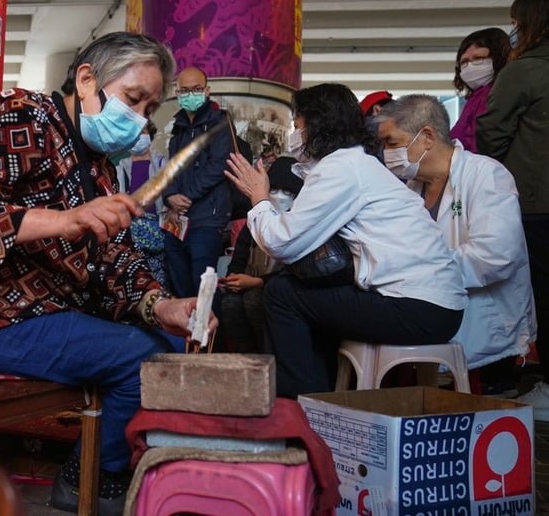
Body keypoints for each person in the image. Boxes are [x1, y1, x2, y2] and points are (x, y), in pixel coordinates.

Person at [0, 31, 211, 516]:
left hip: (45, 315)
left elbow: (116, 260)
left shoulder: (98, 170)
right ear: (87, 78)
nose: (140, 119)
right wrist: (67, 219)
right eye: (133, 99)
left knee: (174, 345)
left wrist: (162, 306)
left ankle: (107, 467)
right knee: (142, 359)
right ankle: (92, 478)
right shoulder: (24, 117)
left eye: (150, 109)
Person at [224, 83, 466, 398]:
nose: (294, 134)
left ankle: (299, 397)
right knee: (303, 290)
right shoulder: (353, 164)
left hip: (418, 307)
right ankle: (320, 393)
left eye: (297, 125)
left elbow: (282, 242)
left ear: (318, 126)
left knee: (281, 293)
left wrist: (259, 198)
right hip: (433, 304)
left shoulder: (341, 169)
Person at [376, 94, 535, 391]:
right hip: (434, 320)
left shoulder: (486, 175)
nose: (386, 153)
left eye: (392, 143)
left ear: (427, 137)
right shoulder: (410, 189)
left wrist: (421, 273)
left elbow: (495, 255)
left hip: (485, 329)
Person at [476, 0, 549, 417]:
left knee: (540, 294)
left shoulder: (525, 71)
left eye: (518, 22)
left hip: (536, 203)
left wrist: (497, 179)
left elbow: (492, 133)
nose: (514, 31)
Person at [162, 66, 236, 297]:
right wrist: (169, 195)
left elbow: (219, 166)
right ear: (177, 92)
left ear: (207, 90)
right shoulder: (178, 127)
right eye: (185, 90)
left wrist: (186, 197)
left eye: (196, 89)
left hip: (207, 217)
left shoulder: (220, 123)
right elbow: (171, 166)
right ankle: (182, 331)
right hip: (177, 219)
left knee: (203, 286)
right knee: (178, 284)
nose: (190, 94)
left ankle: (207, 332)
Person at [217, 156, 302, 353]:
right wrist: (233, 279)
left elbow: (294, 270)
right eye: (273, 190)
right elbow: (239, 256)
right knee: (229, 303)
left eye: (287, 192)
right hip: (250, 282)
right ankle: (246, 360)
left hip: (278, 287)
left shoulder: (298, 223)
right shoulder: (256, 217)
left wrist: (257, 282)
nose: (279, 196)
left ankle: (269, 358)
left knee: (254, 301)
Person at [116, 121, 169, 290]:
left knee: (159, 280)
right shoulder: (120, 168)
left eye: (142, 133)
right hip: (132, 235)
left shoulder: (162, 164)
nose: (138, 138)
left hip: (159, 231)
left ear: (150, 136)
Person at [450, 28, 511, 153]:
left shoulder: (500, 95)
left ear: (499, 58)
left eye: (478, 58)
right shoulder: (476, 98)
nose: (470, 66)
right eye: (464, 62)